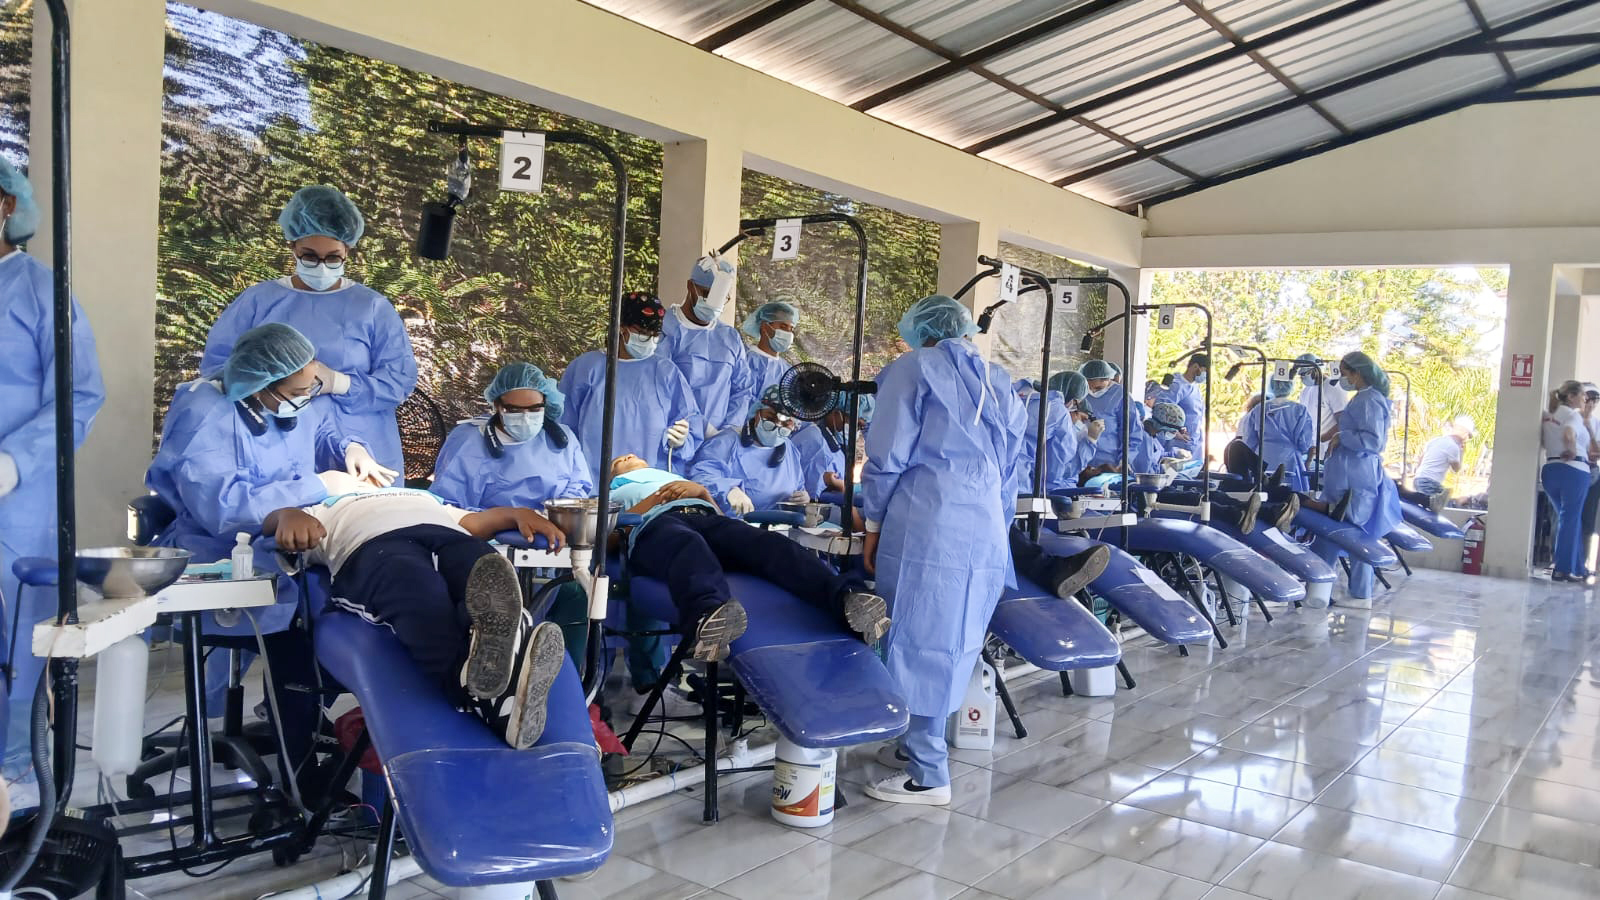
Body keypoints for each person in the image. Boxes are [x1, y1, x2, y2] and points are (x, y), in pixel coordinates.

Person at [147, 323, 394, 791]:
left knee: (357, 616)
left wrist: (350, 449)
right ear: (260, 383)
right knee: (299, 644)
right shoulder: (205, 414)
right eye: (299, 392)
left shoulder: (287, 396)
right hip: (221, 558)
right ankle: (300, 780)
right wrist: (319, 485)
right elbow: (223, 508)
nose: (307, 398)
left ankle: (304, 723)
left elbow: (319, 427)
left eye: (311, 388)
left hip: (288, 548)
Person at [268, 471, 570, 749]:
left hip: (449, 536)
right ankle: (484, 685)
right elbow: (273, 522)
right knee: (418, 590)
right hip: (372, 546)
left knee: (479, 564)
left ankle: (493, 657)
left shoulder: (423, 497)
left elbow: (475, 523)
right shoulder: (321, 508)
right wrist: (287, 514)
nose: (364, 477)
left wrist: (517, 514)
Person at [861, 295, 1024, 806]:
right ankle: (914, 745)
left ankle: (928, 775)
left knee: (916, 638)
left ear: (922, 330)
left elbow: (888, 454)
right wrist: (999, 525)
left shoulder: (913, 369)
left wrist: (871, 522)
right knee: (955, 640)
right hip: (985, 528)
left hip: (929, 523)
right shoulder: (999, 381)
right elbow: (1012, 470)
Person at [0, 156, 105, 806]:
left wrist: (14, 461)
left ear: (7, 205)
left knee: (19, 640)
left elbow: (79, 393)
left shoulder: (41, 292)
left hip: (19, 502)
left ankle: (13, 776)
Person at [201, 185, 417, 473]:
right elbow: (218, 369)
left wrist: (338, 382)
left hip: (363, 446)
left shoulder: (372, 307)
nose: (321, 266)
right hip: (276, 438)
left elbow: (399, 381)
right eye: (310, 256)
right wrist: (272, 389)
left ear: (348, 250)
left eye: (333, 257)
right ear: (292, 246)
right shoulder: (258, 301)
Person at [608, 453, 891, 661]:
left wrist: (702, 492)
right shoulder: (613, 491)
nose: (629, 456)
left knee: (769, 544)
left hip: (705, 517)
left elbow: (720, 516)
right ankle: (710, 615)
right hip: (654, 528)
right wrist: (651, 502)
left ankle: (847, 600)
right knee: (687, 545)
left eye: (633, 455)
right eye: (619, 459)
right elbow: (603, 538)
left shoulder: (675, 478)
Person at [430, 362, 593, 657]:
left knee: (577, 595)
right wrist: (506, 520)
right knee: (497, 620)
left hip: (551, 553)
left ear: (546, 404)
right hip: (487, 552)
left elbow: (578, 488)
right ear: (496, 405)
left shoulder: (562, 439)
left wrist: (552, 515)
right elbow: (448, 508)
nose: (526, 418)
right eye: (514, 410)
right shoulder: (469, 441)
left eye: (534, 409)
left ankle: (572, 679)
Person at [559, 291, 702, 485]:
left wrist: (682, 441)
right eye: (642, 333)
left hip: (652, 487)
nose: (650, 340)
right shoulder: (587, 368)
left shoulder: (666, 372)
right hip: (594, 486)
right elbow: (563, 429)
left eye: (655, 335)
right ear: (621, 328)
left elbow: (690, 420)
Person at [1309, 352, 1402, 600]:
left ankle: (1359, 595)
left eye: (1345, 373)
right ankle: (1320, 591)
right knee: (1331, 533)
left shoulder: (1368, 400)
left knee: (1356, 537)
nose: (1343, 379)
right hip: (1348, 477)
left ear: (1357, 373)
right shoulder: (1363, 398)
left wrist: (1342, 437)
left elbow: (1373, 441)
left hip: (1355, 480)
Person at [660, 254, 747, 436]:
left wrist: (729, 431)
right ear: (690, 287)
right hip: (676, 433)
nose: (713, 304)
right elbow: (663, 387)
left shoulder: (729, 338)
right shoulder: (666, 330)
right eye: (707, 294)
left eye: (721, 298)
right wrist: (700, 427)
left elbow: (743, 390)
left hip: (720, 439)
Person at [686, 389, 808, 514]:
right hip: (732, 522)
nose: (777, 426)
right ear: (756, 413)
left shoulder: (789, 449)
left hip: (778, 522)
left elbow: (798, 485)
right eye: (770, 418)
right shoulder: (726, 441)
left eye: (786, 423)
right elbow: (701, 476)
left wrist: (803, 498)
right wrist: (729, 489)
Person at [1542, 380, 1591, 582]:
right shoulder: (1573, 415)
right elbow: (1568, 434)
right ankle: (1562, 569)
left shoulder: (1548, 415)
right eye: (1582, 394)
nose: (1586, 398)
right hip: (1574, 470)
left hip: (1550, 471)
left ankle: (1578, 568)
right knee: (1570, 520)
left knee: (1569, 520)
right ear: (1571, 396)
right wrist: (1571, 450)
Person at [1240, 376, 1316, 491]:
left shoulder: (1259, 409)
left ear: (1272, 385)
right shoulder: (1300, 410)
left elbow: (1249, 442)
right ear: (1291, 386)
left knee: (1263, 494)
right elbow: (1304, 444)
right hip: (1290, 462)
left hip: (1263, 461)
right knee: (1291, 495)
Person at [732, 300, 799, 410]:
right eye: (783, 327)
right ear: (764, 326)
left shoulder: (788, 371)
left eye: (791, 329)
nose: (788, 333)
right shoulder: (744, 360)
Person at [1079, 359, 1142, 468]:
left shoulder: (1120, 395)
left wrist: (1125, 460)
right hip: (1080, 459)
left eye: (1098, 388)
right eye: (1088, 387)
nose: (1092, 391)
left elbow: (1131, 432)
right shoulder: (1079, 393)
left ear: (1109, 379)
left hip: (1108, 463)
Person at [1405, 415, 1474, 505]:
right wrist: (1461, 452)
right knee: (1442, 505)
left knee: (1430, 505)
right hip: (1430, 483)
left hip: (1419, 479)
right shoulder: (1453, 446)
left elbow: (1421, 460)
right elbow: (1456, 469)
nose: (1467, 439)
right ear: (1465, 434)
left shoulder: (1435, 440)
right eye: (1468, 436)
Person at [1296, 353, 1347, 463]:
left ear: (1316, 370)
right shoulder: (1306, 391)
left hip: (1330, 451)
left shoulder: (1333, 388)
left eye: (1304, 374)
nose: (1302, 378)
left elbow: (1344, 422)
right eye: (1300, 376)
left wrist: (1322, 439)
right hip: (1311, 453)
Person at [1154, 353, 1208, 456]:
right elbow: (1162, 411)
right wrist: (1175, 433)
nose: (1205, 376)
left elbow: (1196, 417)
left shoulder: (1195, 388)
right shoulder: (1176, 385)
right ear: (1195, 366)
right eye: (1205, 371)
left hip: (1192, 441)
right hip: (1176, 443)